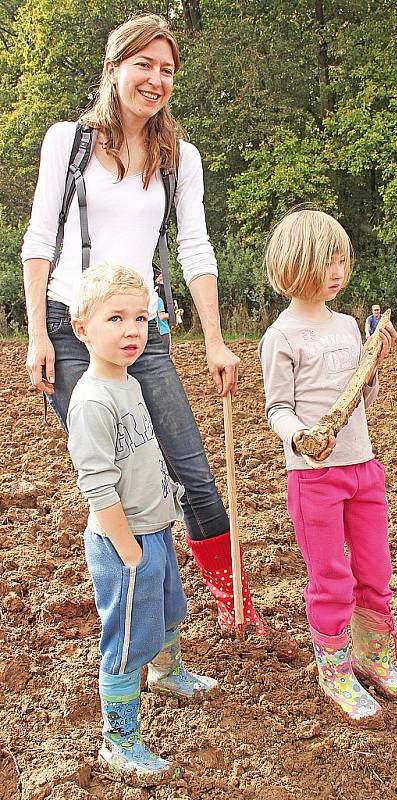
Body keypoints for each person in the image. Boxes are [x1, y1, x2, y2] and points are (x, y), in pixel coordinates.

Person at [21, 13, 266, 638]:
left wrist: (213, 339)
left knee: (191, 470)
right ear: (113, 69)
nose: (155, 80)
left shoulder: (180, 157)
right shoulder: (67, 143)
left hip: (146, 328)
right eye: (144, 65)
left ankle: (232, 598)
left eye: (166, 70)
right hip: (74, 327)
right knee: (122, 471)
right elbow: (41, 239)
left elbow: (195, 247)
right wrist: (37, 335)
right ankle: (140, 608)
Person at [258, 209, 397, 726]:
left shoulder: (350, 325)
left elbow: (361, 397)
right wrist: (300, 439)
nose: (337, 270)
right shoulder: (281, 337)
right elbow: (276, 408)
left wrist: (374, 361)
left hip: (363, 468)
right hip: (314, 478)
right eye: (326, 259)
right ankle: (335, 670)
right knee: (332, 577)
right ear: (294, 263)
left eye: (341, 259)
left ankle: (376, 655)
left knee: (375, 569)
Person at [67, 264, 217, 785]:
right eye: (115, 318)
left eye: (140, 317)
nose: (132, 330)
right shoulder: (91, 401)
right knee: (127, 636)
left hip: (154, 530)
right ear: (81, 327)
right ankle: (120, 739)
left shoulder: (130, 384)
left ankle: (167, 673)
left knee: (169, 609)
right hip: (123, 542)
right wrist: (129, 548)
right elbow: (98, 486)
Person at [154, 273, 171, 352]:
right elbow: (162, 316)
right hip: (163, 331)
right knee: (165, 355)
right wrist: (174, 314)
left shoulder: (147, 300)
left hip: (152, 332)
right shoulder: (158, 300)